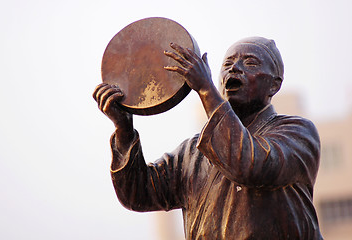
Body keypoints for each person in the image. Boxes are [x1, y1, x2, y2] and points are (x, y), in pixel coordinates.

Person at [93, 37, 323, 239]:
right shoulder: (192, 152)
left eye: (250, 62)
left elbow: (249, 165)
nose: (235, 69)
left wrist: (205, 89)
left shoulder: (297, 133)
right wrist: (124, 130)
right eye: (227, 64)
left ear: (275, 84)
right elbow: (138, 194)